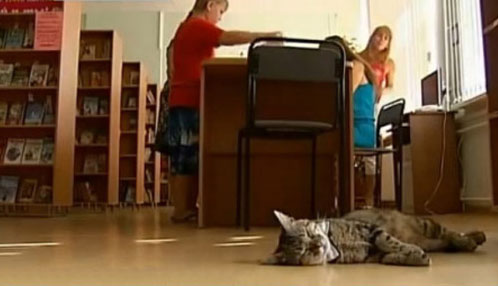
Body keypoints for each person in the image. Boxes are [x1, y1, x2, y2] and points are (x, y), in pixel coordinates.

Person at [163, 0, 281, 223]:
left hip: (187, 99)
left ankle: (187, 208)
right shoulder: (196, 25)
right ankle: (181, 211)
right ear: (210, 5)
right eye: (220, 11)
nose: (220, 17)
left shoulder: (185, 26)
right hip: (188, 99)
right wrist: (265, 35)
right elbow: (227, 37)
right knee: (186, 157)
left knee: (188, 156)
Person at [359, 26, 395, 102]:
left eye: (386, 38)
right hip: (357, 97)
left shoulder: (389, 63)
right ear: (372, 37)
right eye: (379, 36)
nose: (382, 40)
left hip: (373, 101)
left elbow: (390, 86)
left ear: (388, 44)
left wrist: (381, 91)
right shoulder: (359, 57)